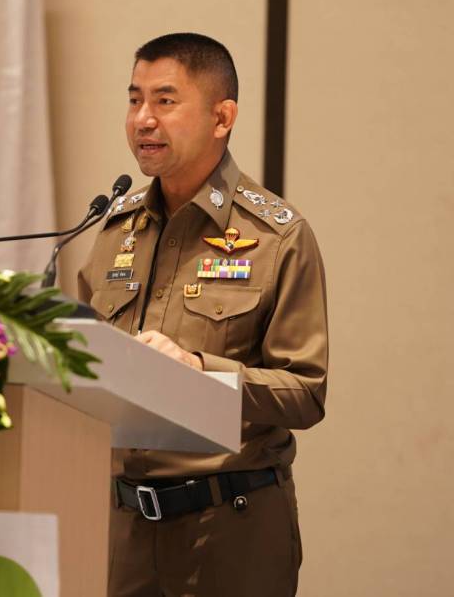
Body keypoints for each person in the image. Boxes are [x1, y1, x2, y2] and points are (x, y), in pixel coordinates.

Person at [76, 32, 329, 597]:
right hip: (124, 531)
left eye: (165, 100)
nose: (143, 119)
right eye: (134, 99)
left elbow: (305, 393)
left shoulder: (278, 236)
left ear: (222, 117)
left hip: (230, 529)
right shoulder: (114, 228)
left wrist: (198, 369)